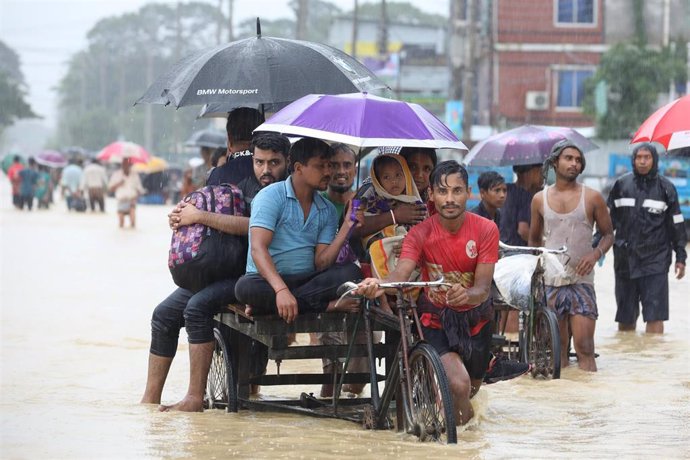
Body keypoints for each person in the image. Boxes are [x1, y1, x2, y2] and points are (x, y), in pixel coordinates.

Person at [141, 132, 291, 412]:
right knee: (163, 315)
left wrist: (199, 216)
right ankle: (149, 401)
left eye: (274, 163)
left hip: (256, 275)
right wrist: (182, 216)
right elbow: (207, 210)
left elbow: (256, 227)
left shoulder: (288, 191)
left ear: (288, 162)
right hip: (226, 268)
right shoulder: (239, 181)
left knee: (196, 307)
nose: (266, 170)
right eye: (259, 162)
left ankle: (194, 397)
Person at [356, 160, 498, 425]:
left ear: (468, 192)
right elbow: (400, 276)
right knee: (458, 384)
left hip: (476, 320)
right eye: (442, 192)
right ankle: (458, 448)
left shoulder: (486, 229)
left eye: (457, 191)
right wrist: (378, 285)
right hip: (435, 319)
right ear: (431, 195)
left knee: (472, 390)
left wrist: (467, 296)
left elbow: (482, 288)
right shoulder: (420, 234)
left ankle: (462, 434)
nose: (450, 199)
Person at [234, 137, 363, 323]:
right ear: (299, 168)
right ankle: (327, 306)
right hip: (268, 281)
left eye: (329, 166)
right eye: (321, 166)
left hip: (307, 280)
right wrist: (280, 290)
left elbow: (321, 264)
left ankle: (267, 305)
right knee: (245, 288)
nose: (328, 172)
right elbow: (257, 249)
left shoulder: (326, 209)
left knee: (352, 274)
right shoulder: (270, 197)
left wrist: (346, 227)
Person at [529, 140, 613, 372]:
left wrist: (595, 254)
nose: (574, 163)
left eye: (578, 160)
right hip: (551, 281)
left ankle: (585, 402)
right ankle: (562, 400)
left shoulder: (593, 197)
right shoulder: (539, 199)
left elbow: (608, 235)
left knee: (585, 348)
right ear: (555, 162)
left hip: (581, 281)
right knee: (557, 349)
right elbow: (534, 240)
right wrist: (534, 271)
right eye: (568, 158)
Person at [607, 142, 686, 334]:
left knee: (655, 316)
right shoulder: (621, 185)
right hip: (625, 261)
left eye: (647, 157)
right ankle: (630, 358)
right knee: (625, 319)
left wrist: (681, 257)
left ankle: (653, 358)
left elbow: (676, 225)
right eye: (638, 157)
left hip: (655, 261)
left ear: (654, 160)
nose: (642, 161)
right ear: (633, 160)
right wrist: (596, 248)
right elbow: (608, 223)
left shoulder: (666, 188)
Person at [499, 163, 542, 246]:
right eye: (540, 171)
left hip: (502, 247)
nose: (542, 177)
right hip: (518, 251)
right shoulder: (525, 195)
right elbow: (523, 231)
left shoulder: (506, 190)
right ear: (532, 172)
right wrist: (540, 244)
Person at [108, 157, 145, 228]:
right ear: (122, 164)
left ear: (130, 164)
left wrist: (135, 198)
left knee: (133, 223)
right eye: (124, 163)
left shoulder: (135, 175)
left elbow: (140, 190)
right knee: (121, 223)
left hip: (131, 200)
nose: (126, 165)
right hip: (121, 200)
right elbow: (110, 189)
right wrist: (119, 183)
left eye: (127, 164)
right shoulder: (116, 174)